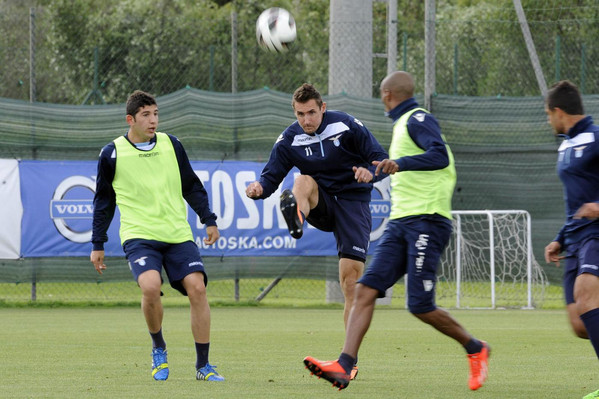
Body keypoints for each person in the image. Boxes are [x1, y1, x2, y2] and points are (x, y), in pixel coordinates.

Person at [303, 71, 489, 391]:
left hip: (427, 221)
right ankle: (344, 366)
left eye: (381, 95)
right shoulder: (401, 126)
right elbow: (400, 169)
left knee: (419, 305)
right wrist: (373, 174)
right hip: (401, 222)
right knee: (364, 290)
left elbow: (439, 156)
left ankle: (476, 348)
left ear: (388, 94)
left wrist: (399, 163)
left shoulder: (417, 118)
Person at [245, 83, 388, 378]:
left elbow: (379, 158)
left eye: (311, 112)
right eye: (300, 114)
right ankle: (296, 219)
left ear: (322, 108)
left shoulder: (346, 125)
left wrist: (369, 172)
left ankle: (349, 362)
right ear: (294, 113)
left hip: (352, 203)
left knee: (350, 285)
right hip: (320, 203)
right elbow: (271, 176)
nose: (307, 120)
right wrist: (259, 189)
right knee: (301, 181)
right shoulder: (289, 139)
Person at [90, 90, 224, 382]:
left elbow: (191, 186)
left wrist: (208, 219)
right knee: (150, 287)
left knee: (197, 288)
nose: (153, 121)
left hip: (177, 233)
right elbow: (103, 201)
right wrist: (97, 243)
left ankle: (203, 366)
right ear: (131, 119)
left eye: (156, 114)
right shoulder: (111, 153)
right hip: (139, 236)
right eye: (146, 115)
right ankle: (159, 348)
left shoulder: (172, 145)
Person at [542, 80, 599, 399]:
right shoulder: (565, 145)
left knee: (586, 294)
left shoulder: (596, 137)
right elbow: (574, 203)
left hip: (596, 233)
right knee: (580, 322)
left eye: (547, 114)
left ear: (559, 111)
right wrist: (560, 239)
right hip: (574, 238)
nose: (547, 121)